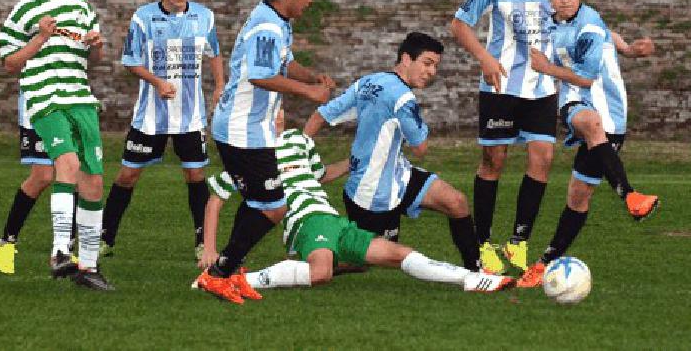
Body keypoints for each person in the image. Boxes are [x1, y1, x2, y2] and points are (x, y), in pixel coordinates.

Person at [195, 110, 514, 303]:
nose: (277, 116)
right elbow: (215, 199)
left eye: (278, 111)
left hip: (333, 221)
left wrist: (351, 162)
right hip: (306, 223)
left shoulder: (299, 141)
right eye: (270, 113)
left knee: (397, 253)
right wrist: (209, 248)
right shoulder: (249, 156)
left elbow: (320, 177)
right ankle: (228, 277)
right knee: (321, 274)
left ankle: (470, 278)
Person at [192, 0, 336, 303]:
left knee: (259, 200)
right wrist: (308, 92)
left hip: (251, 130)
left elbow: (284, 64)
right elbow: (260, 76)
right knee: (274, 206)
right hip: (241, 132)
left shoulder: (275, 20)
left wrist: (311, 76)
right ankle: (220, 273)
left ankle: (232, 270)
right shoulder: (268, 27)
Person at [515, 0, 659, 288]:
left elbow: (586, 76)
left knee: (579, 198)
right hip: (576, 104)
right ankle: (631, 196)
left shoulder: (590, 23)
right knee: (590, 122)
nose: (565, 0)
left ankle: (543, 264)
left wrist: (546, 67)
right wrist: (629, 49)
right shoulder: (550, 21)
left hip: (613, 114)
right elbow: (608, 36)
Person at [303, 32, 483, 272]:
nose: (431, 72)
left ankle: (477, 271)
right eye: (427, 63)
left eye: (435, 66)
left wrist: (300, 149)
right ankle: (303, 269)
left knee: (456, 201)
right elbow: (421, 148)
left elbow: (321, 115)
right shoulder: (403, 98)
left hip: (399, 175)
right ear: (406, 59)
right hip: (372, 192)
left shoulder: (368, 81)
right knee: (361, 261)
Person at [447, 0, 567, 274]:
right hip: (500, 86)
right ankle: (483, 243)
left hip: (543, 89)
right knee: (493, 162)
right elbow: (459, 24)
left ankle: (518, 242)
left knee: (543, 159)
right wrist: (484, 57)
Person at [0, 0, 112, 290]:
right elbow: (9, 63)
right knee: (63, 168)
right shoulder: (26, 9)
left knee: (92, 181)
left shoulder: (83, 10)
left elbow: (93, 63)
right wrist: (39, 39)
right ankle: (59, 251)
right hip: (46, 100)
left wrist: (97, 48)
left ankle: (88, 268)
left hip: (81, 99)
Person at [98, 0, 225, 260]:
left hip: (189, 117)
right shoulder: (143, 18)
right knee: (128, 176)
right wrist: (156, 82)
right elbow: (131, 61)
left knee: (195, 177)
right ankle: (104, 237)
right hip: (151, 117)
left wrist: (220, 85)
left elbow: (215, 53)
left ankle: (201, 243)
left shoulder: (205, 17)